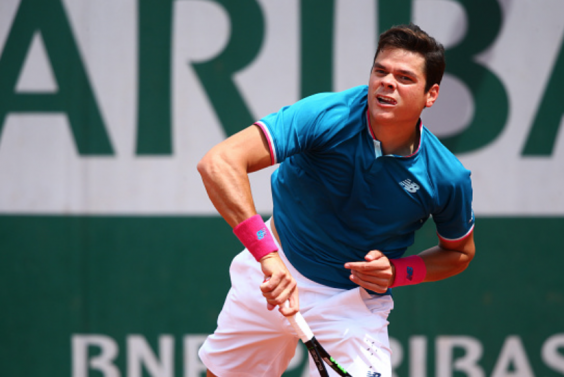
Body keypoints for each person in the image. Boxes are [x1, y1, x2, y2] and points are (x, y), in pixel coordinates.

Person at [197, 23, 476, 377]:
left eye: (404, 78)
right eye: (381, 71)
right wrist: (267, 256)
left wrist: (397, 272)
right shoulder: (326, 115)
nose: (387, 82)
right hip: (272, 272)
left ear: (430, 95)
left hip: (350, 302)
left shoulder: (446, 176)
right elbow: (218, 163)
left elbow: (459, 253)